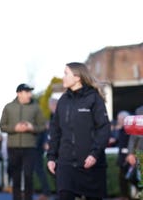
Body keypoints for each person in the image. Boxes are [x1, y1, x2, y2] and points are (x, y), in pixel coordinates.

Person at [46, 62, 111, 200]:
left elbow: (104, 129)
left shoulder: (94, 98)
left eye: (66, 73)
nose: (63, 77)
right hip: (66, 164)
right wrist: (51, 157)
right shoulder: (63, 101)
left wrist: (94, 154)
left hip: (90, 164)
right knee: (63, 195)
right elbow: (55, 130)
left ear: (77, 77)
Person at [0, 83, 48, 200]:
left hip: (30, 147)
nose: (30, 94)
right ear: (19, 93)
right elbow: (2, 126)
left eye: (30, 92)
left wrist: (32, 128)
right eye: (27, 92)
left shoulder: (36, 107)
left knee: (28, 175)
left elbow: (43, 126)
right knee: (15, 176)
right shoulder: (8, 107)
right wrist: (14, 128)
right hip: (13, 147)